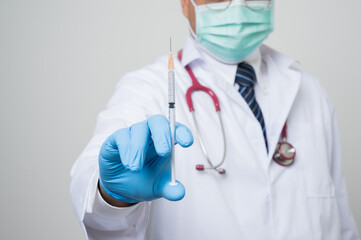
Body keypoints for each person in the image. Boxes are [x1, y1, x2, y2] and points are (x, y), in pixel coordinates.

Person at [70, 0, 360, 239]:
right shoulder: (148, 89)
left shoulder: (310, 90)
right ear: (185, 4)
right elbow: (92, 192)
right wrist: (112, 196)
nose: (239, 5)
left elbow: (342, 224)